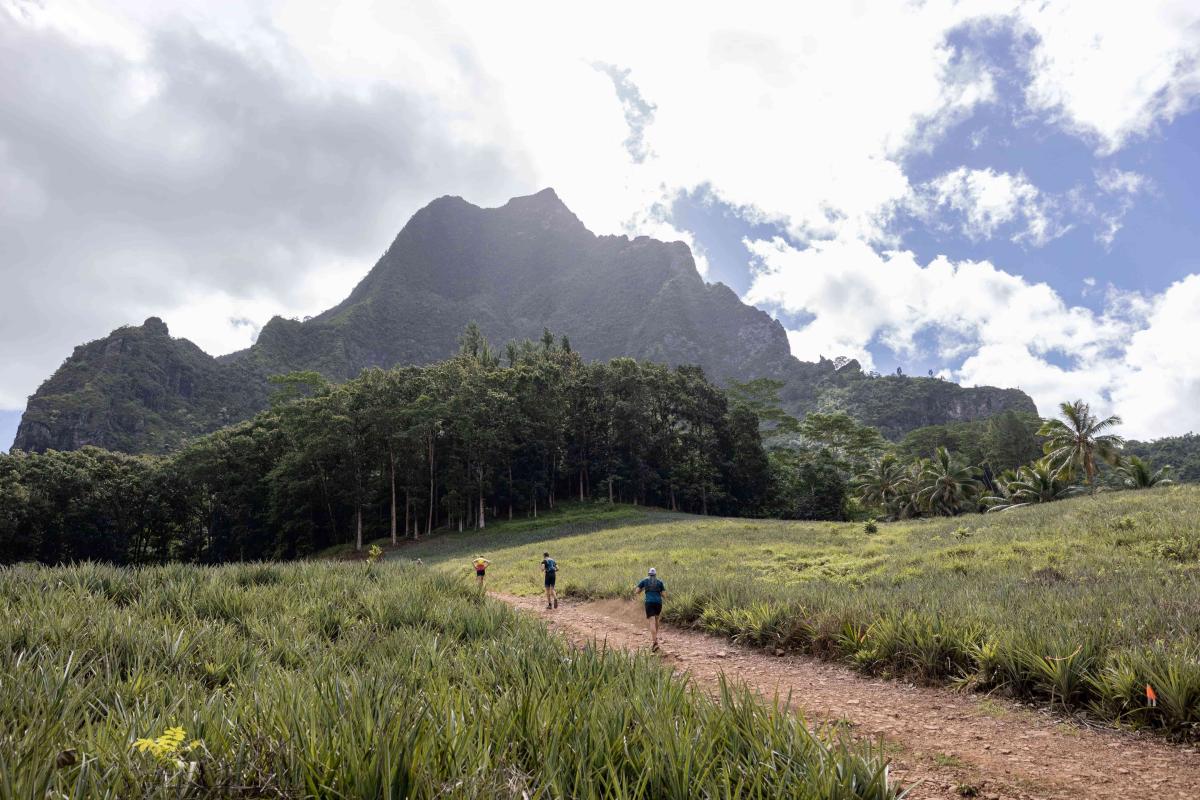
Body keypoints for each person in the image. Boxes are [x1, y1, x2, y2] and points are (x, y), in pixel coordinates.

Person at [635, 567, 666, 651]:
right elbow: (664, 595)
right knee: (656, 620)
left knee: (652, 621)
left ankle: (655, 642)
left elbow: (636, 591)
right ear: (655, 574)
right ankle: (655, 638)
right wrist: (658, 591)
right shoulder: (660, 582)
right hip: (658, 603)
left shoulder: (644, 581)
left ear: (649, 574)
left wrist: (643, 589)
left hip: (649, 602)